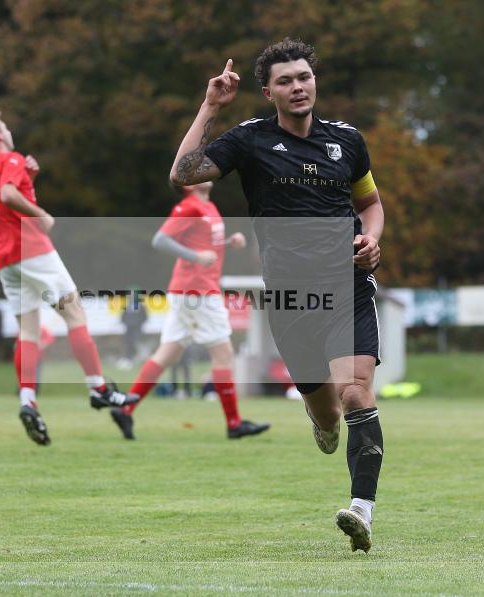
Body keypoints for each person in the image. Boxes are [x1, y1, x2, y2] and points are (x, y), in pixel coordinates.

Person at [169, 39, 385, 553]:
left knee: (355, 389)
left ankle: (362, 510)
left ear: (315, 82)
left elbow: (371, 203)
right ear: (268, 92)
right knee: (330, 415)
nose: (298, 87)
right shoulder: (248, 141)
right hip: (289, 300)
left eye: (305, 77)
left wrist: (372, 239)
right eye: (286, 81)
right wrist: (211, 107)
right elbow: (183, 174)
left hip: (347, 287)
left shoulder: (347, 142)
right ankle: (322, 421)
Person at [0, 108, 138, 447]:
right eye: (5, 127)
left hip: (4, 257)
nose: (9, 131)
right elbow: (9, 196)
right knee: (75, 314)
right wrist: (41, 212)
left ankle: (27, 400)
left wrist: (28, 177)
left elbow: (4, 194)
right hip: (30, 246)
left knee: (28, 330)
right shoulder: (9, 158)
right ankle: (98, 388)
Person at [109, 182, 270, 441]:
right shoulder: (190, 207)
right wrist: (194, 257)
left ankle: (126, 409)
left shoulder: (208, 206)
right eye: (198, 170)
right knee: (224, 354)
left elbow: (205, 246)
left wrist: (229, 242)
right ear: (187, 183)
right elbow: (160, 240)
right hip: (198, 292)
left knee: (167, 353)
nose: (206, 170)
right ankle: (234, 424)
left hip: (189, 291)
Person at [119, 291, 147, 368]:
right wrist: (125, 322)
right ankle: (129, 359)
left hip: (137, 328)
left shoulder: (141, 306)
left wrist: (139, 324)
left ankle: (136, 358)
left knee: (135, 343)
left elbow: (144, 317)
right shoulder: (127, 306)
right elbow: (123, 316)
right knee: (128, 343)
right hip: (128, 328)